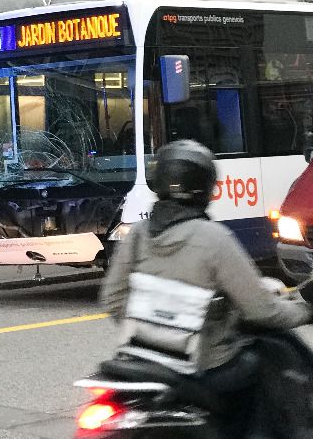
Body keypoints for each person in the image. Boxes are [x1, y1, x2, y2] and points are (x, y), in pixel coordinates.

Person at [101, 140, 313, 438]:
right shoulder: (213, 238)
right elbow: (261, 310)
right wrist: (305, 311)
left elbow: (112, 298)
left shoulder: (137, 234)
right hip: (204, 364)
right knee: (263, 361)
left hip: (138, 358)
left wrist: (152, 327)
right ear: (205, 188)